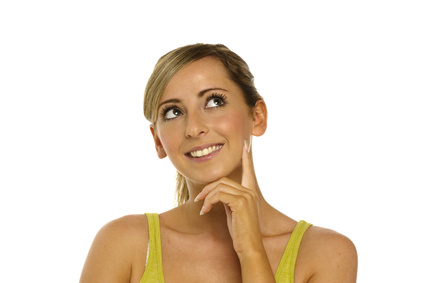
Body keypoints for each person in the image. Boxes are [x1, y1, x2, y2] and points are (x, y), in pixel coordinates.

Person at [80, 43, 358, 283]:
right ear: (157, 141)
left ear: (257, 116)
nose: (194, 128)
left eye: (214, 101)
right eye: (173, 112)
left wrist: (251, 250)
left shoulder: (325, 252)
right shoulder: (123, 243)